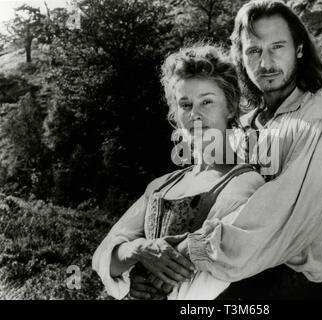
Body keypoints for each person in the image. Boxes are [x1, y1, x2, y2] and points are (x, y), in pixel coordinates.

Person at [129, 0, 322, 300]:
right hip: (222, 283)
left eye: (277, 46)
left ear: (299, 49)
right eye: (254, 50)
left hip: (290, 288)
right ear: (240, 56)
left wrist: (185, 253)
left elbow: (279, 214)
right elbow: (205, 200)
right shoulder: (240, 125)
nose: (266, 63)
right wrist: (144, 263)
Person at [92, 44, 266, 300]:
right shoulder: (162, 185)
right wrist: (139, 250)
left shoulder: (246, 183)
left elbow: (206, 278)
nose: (195, 114)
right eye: (185, 104)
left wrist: (131, 275)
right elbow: (102, 257)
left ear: (230, 107)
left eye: (207, 101)